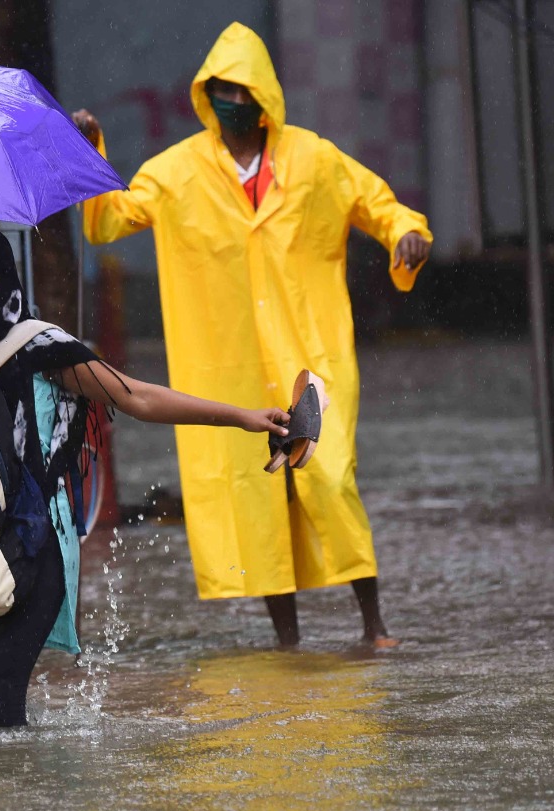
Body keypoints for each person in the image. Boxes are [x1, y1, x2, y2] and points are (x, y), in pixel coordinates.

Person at [72, 23, 432, 648]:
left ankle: (374, 626)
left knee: (330, 477)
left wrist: (407, 233)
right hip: (229, 363)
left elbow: (380, 204)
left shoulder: (315, 160)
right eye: (219, 90)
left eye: (240, 90)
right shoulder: (177, 171)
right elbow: (107, 220)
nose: (231, 102)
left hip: (309, 353)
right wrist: (92, 149)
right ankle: (286, 641)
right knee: (255, 495)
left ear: (264, 97)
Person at [0, 224, 290, 729]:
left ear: (10, 285)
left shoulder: (43, 346)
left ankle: (24, 802)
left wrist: (244, 416)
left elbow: (134, 396)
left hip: (33, 542)